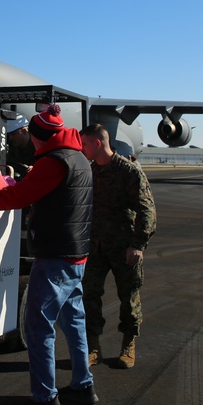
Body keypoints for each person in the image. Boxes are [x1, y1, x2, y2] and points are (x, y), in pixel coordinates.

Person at [0, 105, 96, 405]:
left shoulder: (53, 161)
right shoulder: (78, 157)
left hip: (55, 257)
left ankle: (45, 399)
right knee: (74, 322)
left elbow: (17, 199)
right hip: (77, 255)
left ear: (39, 138)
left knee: (37, 328)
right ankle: (83, 385)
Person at [78, 123, 157, 370]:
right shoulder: (90, 171)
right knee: (89, 296)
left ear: (97, 143)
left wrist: (137, 244)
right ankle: (93, 346)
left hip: (124, 247)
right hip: (95, 246)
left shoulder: (128, 171)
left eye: (84, 144)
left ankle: (128, 345)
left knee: (129, 298)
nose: (81, 148)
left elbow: (147, 210)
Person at [4, 113, 36, 180]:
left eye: (13, 134)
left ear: (24, 131)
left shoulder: (37, 147)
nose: (10, 138)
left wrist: (36, 169)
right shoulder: (12, 150)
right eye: (9, 135)